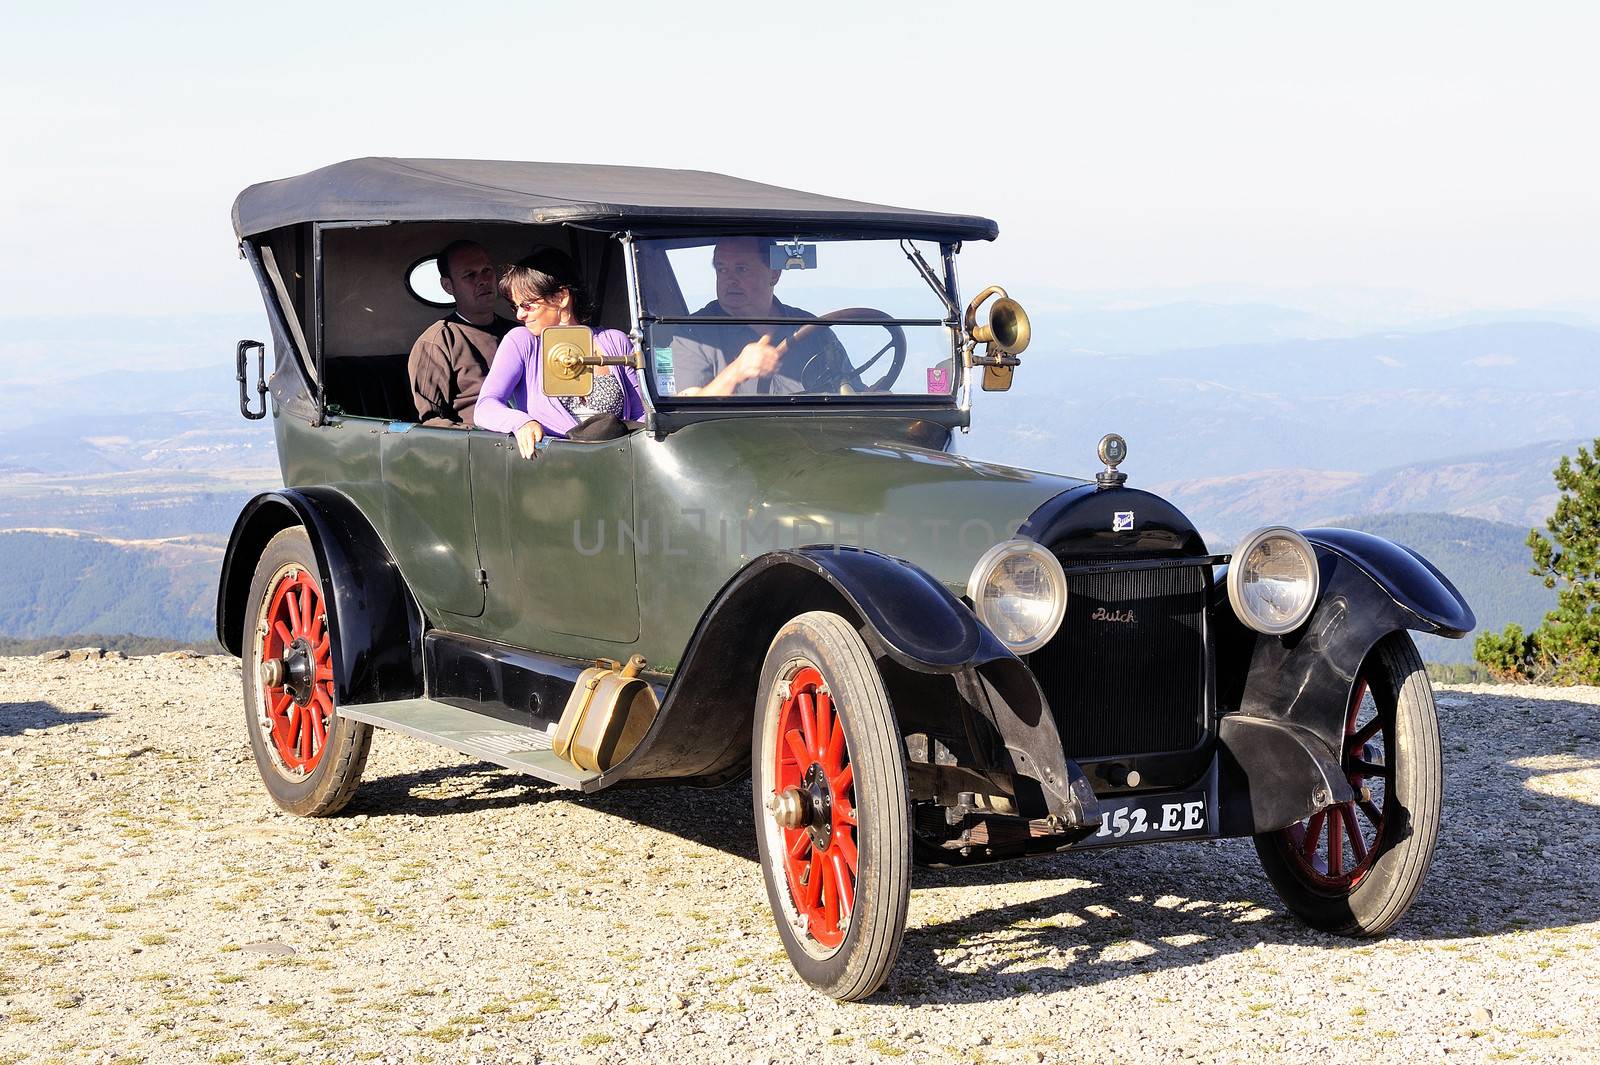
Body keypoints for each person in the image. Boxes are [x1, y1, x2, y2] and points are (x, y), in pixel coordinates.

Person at [475, 248, 646, 459]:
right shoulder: (522, 341)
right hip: (554, 467)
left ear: (561, 297)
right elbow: (485, 406)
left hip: (614, 463)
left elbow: (641, 415)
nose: (520, 314)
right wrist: (521, 422)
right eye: (515, 307)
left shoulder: (614, 342)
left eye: (528, 305)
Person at [670, 237, 848, 396]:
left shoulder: (811, 329)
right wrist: (736, 372)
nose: (729, 279)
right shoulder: (693, 333)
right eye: (722, 269)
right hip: (733, 432)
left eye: (741, 269)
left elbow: (852, 390)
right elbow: (687, 411)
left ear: (774, 274)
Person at [407, 240, 518, 426]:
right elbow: (432, 422)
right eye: (470, 275)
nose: (483, 280)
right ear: (447, 286)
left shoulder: (519, 334)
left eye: (487, 270)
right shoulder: (438, 342)